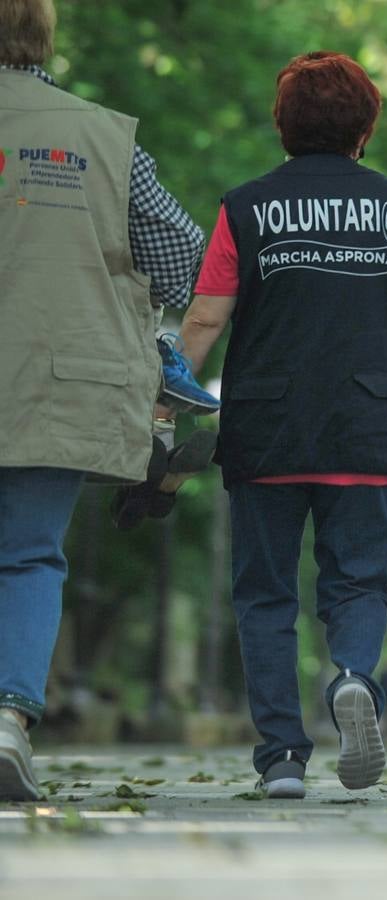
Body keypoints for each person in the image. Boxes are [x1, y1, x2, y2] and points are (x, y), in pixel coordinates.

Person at [170, 51, 387, 799]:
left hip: (265, 422)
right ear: (365, 128)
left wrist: (160, 401)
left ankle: (280, 758)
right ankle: (351, 679)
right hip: (364, 420)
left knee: (265, 593)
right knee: (357, 581)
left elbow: (207, 316)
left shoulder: (245, 206)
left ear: (284, 126)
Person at [0, 0, 206, 800]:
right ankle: (9, 723)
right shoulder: (104, 138)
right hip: (56, 384)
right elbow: (184, 260)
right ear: (44, 38)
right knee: (26, 553)